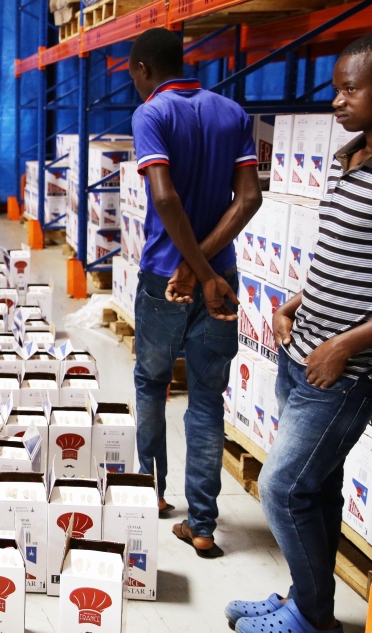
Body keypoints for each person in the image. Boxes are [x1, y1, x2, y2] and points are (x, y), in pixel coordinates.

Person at [228, 32, 372, 633]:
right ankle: (305, 598)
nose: (337, 101)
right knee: (317, 487)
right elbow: (349, 252)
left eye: (351, 89)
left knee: (283, 486)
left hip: (343, 368)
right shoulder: (352, 155)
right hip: (304, 349)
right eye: (336, 88)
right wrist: (300, 299)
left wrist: (345, 345)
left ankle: (315, 619)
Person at [127, 28, 263, 557]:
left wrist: (190, 268)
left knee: (151, 382)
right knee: (207, 400)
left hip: (167, 277)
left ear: (142, 69)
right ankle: (203, 524)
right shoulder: (232, 113)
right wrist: (209, 272)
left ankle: (151, 495)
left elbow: (164, 196)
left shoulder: (152, 115)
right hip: (221, 282)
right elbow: (248, 198)